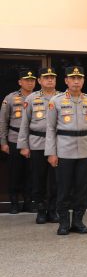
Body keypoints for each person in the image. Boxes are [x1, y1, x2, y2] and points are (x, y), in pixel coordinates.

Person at [45, 66, 87, 235]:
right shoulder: (56, 101)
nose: (76, 81)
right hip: (64, 151)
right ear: (66, 81)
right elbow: (50, 128)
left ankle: (78, 221)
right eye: (73, 78)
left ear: (83, 80)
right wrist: (51, 152)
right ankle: (63, 222)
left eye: (79, 78)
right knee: (63, 188)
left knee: (81, 189)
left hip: (84, 151)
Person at [17, 67, 58, 223]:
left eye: (52, 77)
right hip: (37, 144)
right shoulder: (31, 98)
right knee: (38, 179)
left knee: (55, 180)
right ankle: (41, 210)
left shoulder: (62, 97)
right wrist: (23, 145)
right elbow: (24, 123)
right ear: (39, 80)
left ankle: (52, 210)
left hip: (57, 145)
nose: (50, 80)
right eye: (46, 77)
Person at [0, 69, 36, 213]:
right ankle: (14, 203)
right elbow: (3, 121)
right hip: (14, 139)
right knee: (15, 173)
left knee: (31, 173)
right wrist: (3, 142)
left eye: (32, 80)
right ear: (20, 82)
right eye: (27, 80)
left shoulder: (39, 97)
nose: (30, 82)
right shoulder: (10, 98)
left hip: (33, 140)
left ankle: (28, 202)